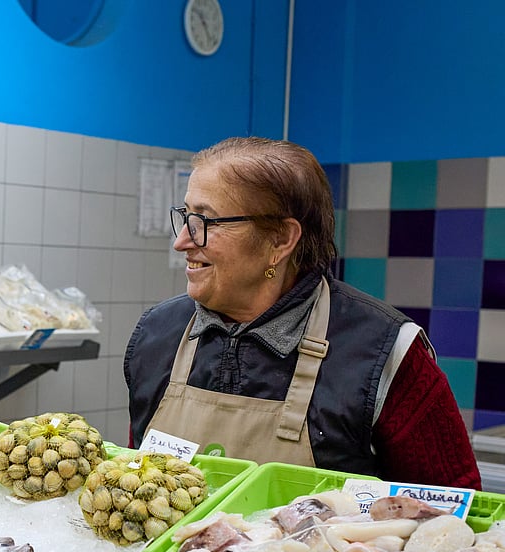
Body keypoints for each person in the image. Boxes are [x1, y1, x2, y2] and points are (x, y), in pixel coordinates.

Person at [125, 136, 481, 490]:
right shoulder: (157, 335)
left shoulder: (386, 353)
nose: (182, 241)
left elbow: (451, 516)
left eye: (205, 221)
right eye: (186, 216)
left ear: (280, 239)